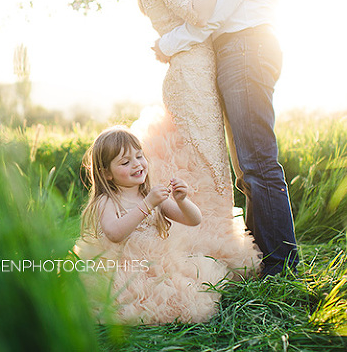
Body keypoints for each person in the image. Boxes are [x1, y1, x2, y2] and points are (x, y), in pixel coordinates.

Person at [153, 0, 299, 276]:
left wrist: (169, 44)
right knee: (248, 167)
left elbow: (218, 12)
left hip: (248, 48)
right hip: (241, 50)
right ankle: (262, 261)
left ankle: (281, 268)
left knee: (257, 164)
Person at [75, 126, 231, 324]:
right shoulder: (107, 201)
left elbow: (193, 220)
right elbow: (114, 233)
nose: (136, 164)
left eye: (139, 157)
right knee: (126, 303)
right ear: (106, 173)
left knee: (181, 294)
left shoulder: (149, 195)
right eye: (125, 162)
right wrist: (148, 204)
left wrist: (183, 200)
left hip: (158, 267)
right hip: (124, 271)